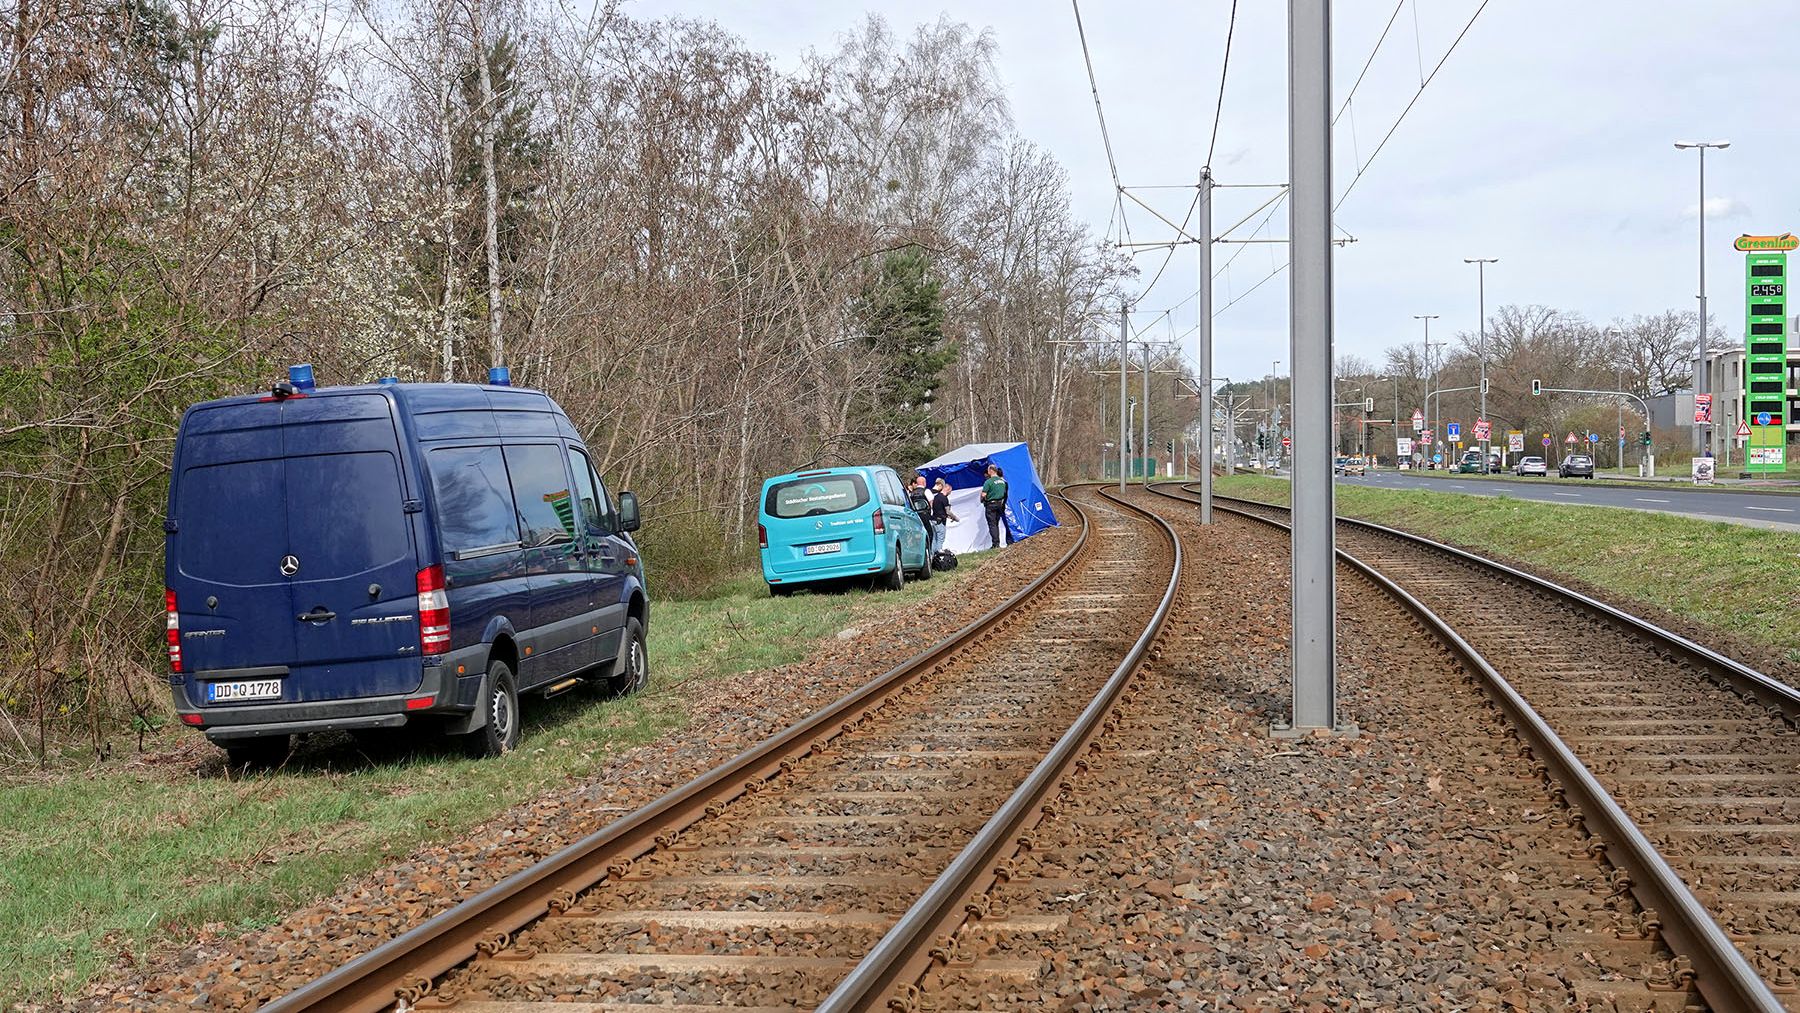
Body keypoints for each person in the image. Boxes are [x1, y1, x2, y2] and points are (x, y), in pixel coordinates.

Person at [979, 463, 1010, 549]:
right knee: (996, 523)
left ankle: (995, 544)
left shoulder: (988, 482)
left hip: (991, 505)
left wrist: (981, 499)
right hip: (1000, 504)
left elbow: (984, 494)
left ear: (990, 471)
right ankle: (999, 542)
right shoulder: (1003, 482)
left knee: (992, 525)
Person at [929, 478, 957, 558]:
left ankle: (932, 557)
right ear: (947, 490)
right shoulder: (944, 498)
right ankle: (939, 556)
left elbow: (938, 510)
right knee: (940, 538)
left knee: (934, 539)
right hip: (940, 522)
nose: (949, 494)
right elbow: (947, 511)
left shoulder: (936, 497)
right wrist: (955, 518)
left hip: (933, 520)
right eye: (950, 492)